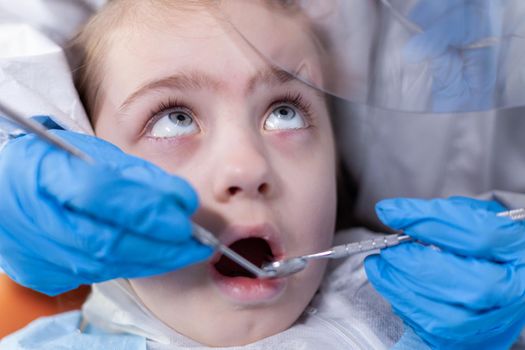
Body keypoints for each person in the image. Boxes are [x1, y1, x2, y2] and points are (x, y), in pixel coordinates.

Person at [1, 0, 525, 349]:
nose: (247, 168)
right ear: (87, 155)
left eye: (285, 113)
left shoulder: (424, 320)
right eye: (175, 118)